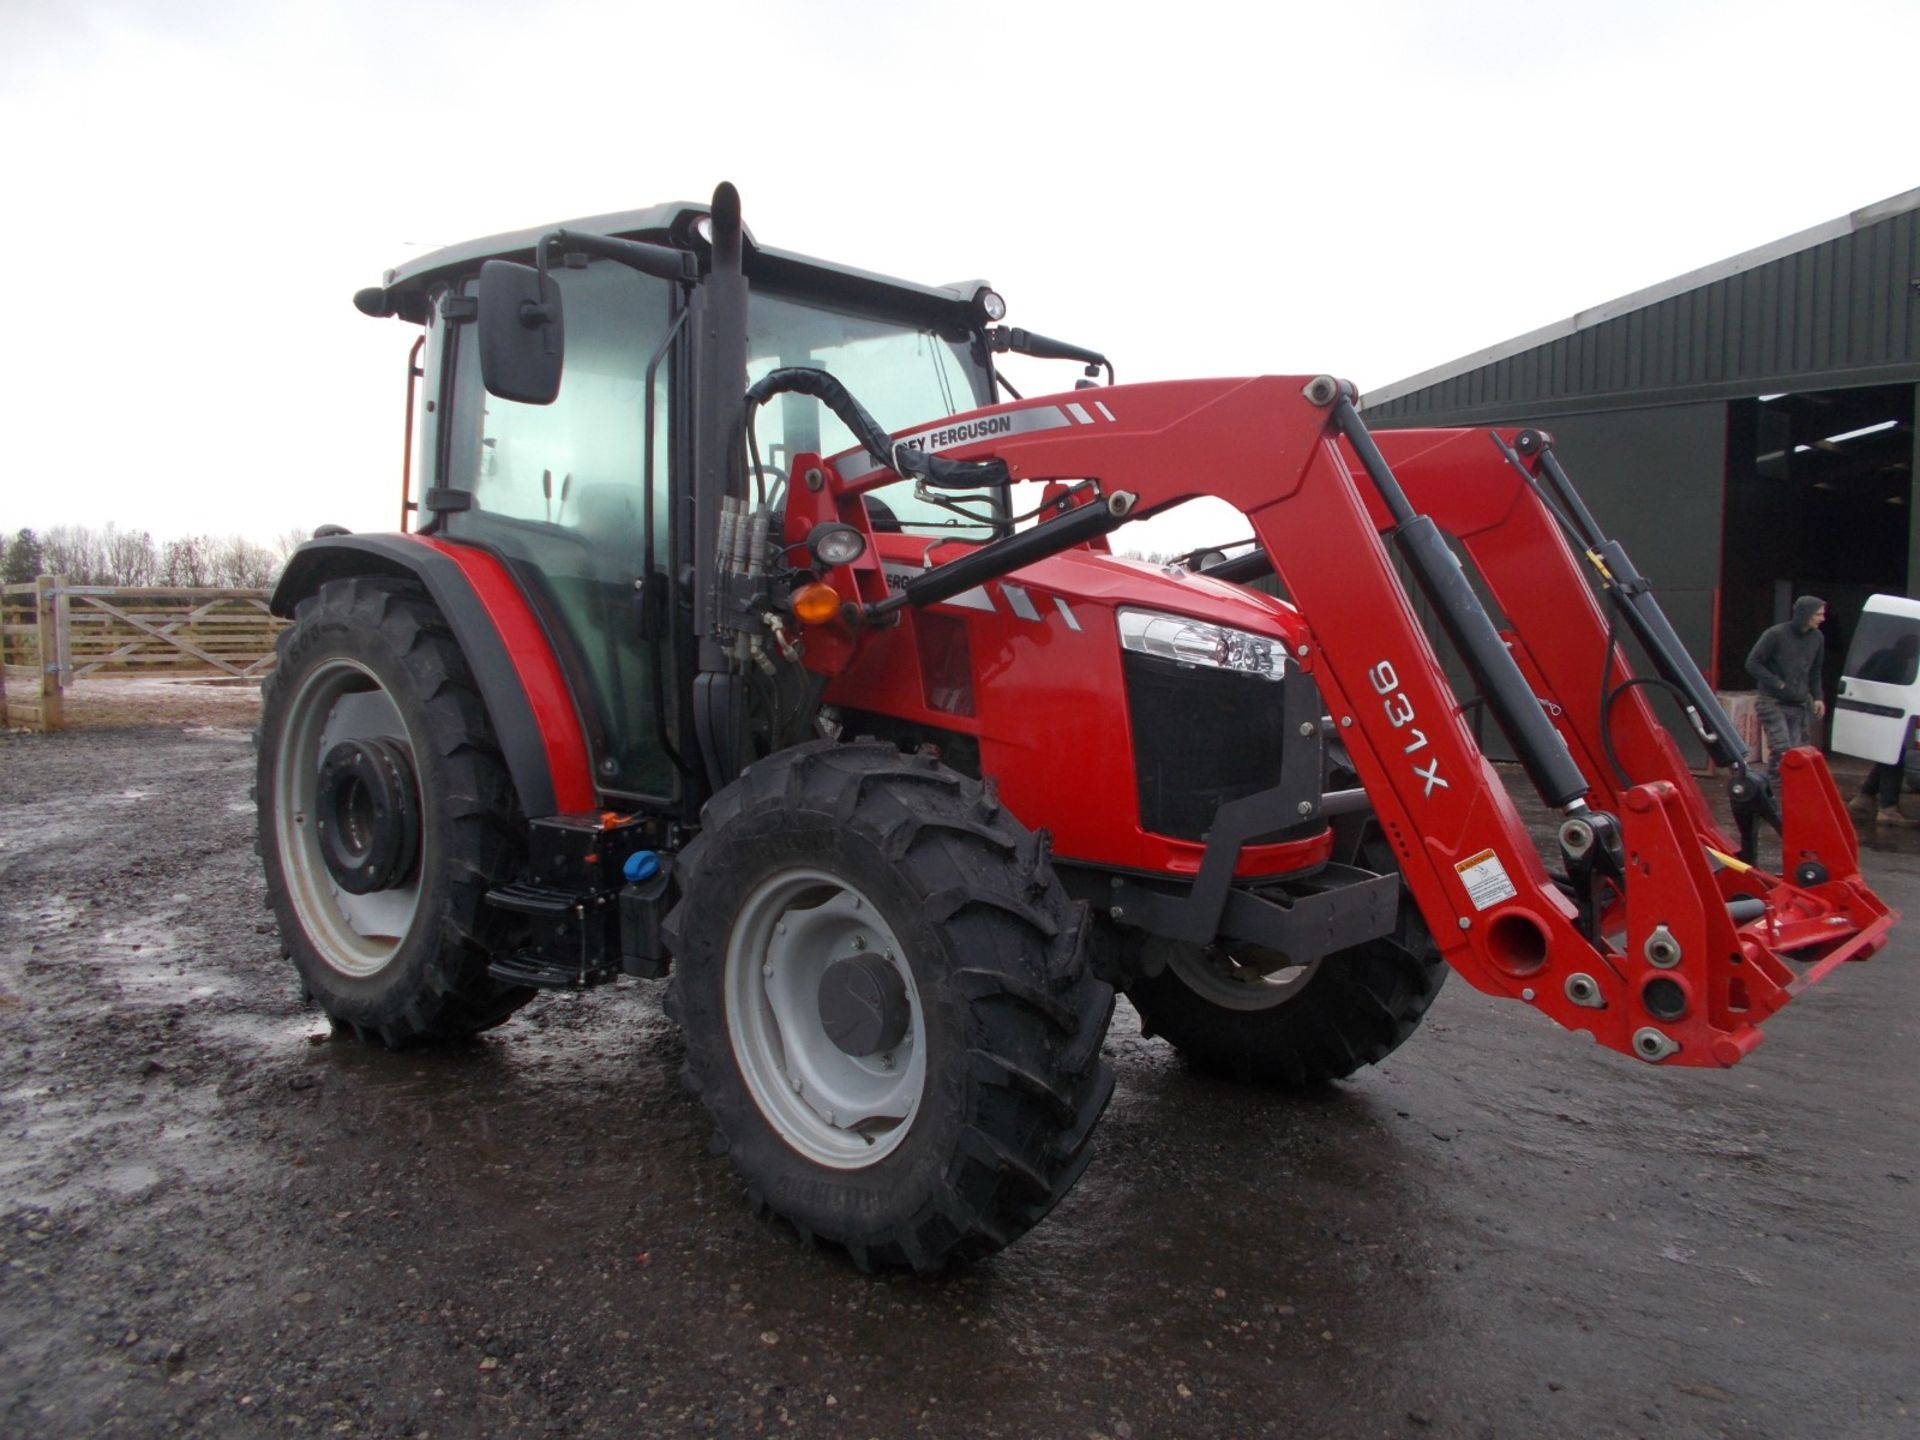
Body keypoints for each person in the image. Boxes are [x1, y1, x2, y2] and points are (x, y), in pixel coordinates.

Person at [1746, 595, 1829, 794]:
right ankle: (1776, 794)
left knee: (1797, 752)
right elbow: (1752, 663)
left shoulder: (1817, 638)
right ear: (1805, 615)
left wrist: (1818, 697)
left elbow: (1816, 669)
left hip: (1799, 703)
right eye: (1818, 615)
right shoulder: (1775, 634)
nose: (1822, 619)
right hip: (1772, 700)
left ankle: (1790, 791)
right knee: (1782, 749)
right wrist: (1777, 683)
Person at [1845, 631, 1920, 826]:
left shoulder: (1886, 654)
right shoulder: (1894, 660)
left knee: (1889, 756)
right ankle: (1888, 808)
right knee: (1892, 758)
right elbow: (1875, 681)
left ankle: (1865, 797)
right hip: (1884, 712)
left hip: (1882, 711)